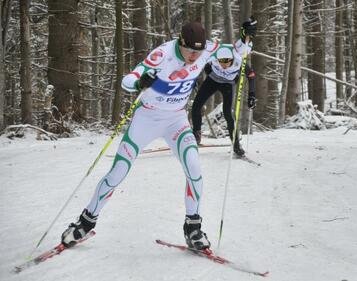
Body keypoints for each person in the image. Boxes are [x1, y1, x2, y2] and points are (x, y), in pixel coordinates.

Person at [61, 21, 255, 251]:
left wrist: (245, 38)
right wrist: (140, 83)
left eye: (198, 52)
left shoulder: (207, 49)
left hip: (175, 120)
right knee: (118, 172)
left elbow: (236, 51)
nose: (194, 56)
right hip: (147, 119)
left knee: (194, 167)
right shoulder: (162, 54)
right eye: (190, 50)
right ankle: (85, 222)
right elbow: (127, 80)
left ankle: (193, 228)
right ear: (180, 43)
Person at [192, 17, 257, 157]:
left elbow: (251, 75)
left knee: (228, 113)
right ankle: (196, 135)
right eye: (221, 61)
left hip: (228, 84)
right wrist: (195, 79)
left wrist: (252, 94)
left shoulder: (239, 57)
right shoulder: (214, 56)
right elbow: (196, 63)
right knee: (196, 106)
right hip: (213, 80)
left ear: (232, 59)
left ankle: (236, 146)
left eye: (227, 62)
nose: (224, 64)